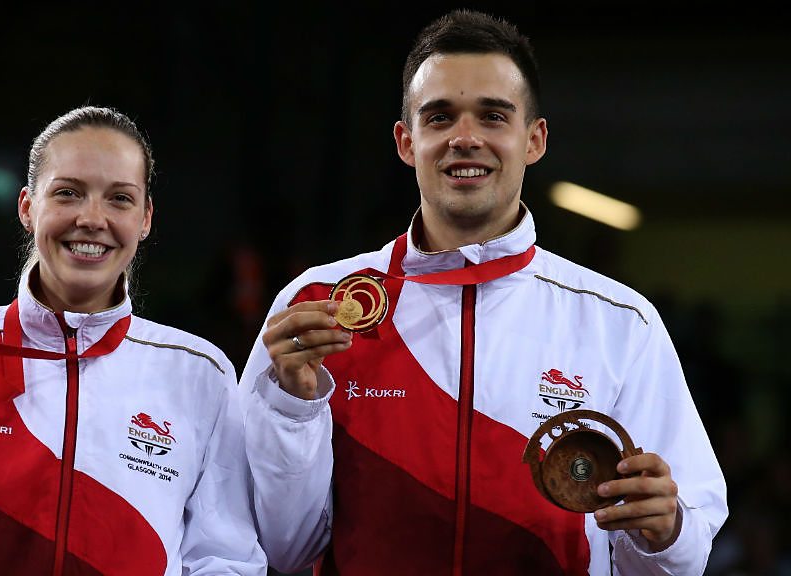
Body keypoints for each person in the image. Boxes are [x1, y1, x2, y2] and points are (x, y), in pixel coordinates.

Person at [239, 10, 727, 576]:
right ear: (406, 142)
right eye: (440, 117)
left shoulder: (619, 323)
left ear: (534, 140)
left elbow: (682, 555)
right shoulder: (316, 307)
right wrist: (292, 409)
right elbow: (284, 548)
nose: (465, 138)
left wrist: (664, 533)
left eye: (493, 116)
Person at [0, 106, 267, 575]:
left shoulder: (199, 373)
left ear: (145, 219)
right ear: (27, 207)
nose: (92, 218)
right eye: (67, 193)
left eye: (120, 198)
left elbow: (226, 560)